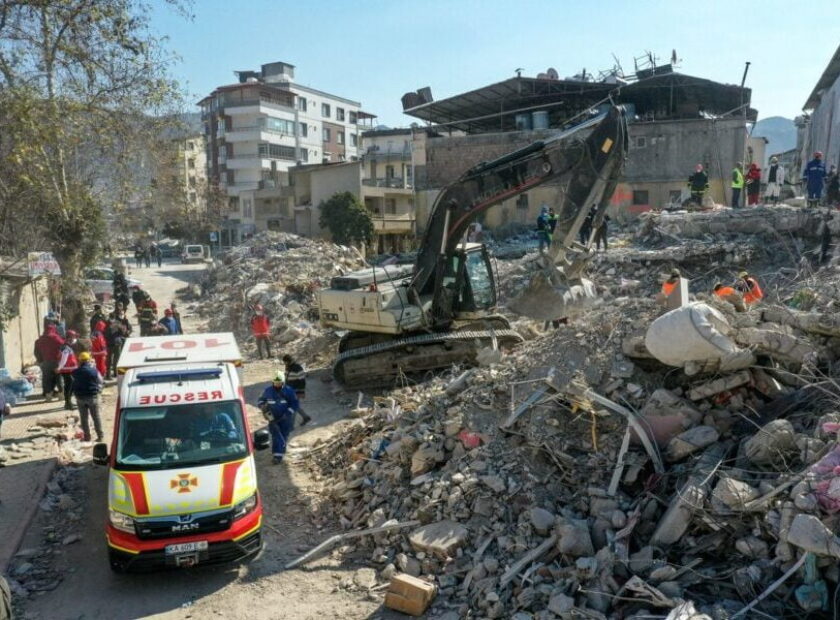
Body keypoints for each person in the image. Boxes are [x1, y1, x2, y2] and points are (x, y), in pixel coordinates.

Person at [257, 371, 300, 464]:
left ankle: (279, 453)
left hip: (285, 418)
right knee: (276, 435)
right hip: (273, 418)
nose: (277, 384)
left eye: (279, 383)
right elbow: (260, 401)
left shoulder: (289, 391)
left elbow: (295, 404)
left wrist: (288, 413)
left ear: (283, 382)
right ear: (272, 382)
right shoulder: (267, 391)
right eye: (275, 383)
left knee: (284, 435)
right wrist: (263, 407)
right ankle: (277, 455)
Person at [72, 351, 104, 442]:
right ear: (89, 360)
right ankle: (100, 436)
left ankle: (87, 437)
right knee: (96, 417)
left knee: (84, 418)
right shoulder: (94, 371)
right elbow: (100, 381)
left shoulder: (75, 372)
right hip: (92, 397)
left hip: (80, 398)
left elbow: (74, 383)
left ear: (80, 361)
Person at [34, 324, 64, 401]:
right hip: (56, 361)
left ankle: (48, 396)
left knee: (47, 379)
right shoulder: (56, 338)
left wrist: (40, 360)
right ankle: (61, 395)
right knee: (58, 378)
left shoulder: (40, 339)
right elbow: (63, 346)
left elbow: (36, 352)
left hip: (45, 362)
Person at [282, 354, 312, 426]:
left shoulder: (297, 368)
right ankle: (305, 417)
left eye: (285, 362)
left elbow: (302, 380)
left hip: (296, 390)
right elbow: (286, 379)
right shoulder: (288, 368)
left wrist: (301, 391)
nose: (285, 363)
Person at [57, 331, 81, 410]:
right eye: (74, 337)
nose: (75, 339)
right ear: (70, 338)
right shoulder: (66, 348)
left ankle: (69, 402)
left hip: (69, 370)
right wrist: (59, 368)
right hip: (67, 371)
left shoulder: (66, 346)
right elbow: (63, 360)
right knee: (68, 387)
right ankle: (68, 403)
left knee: (70, 387)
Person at [105, 315, 130, 379]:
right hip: (109, 344)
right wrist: (111, 328)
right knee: (109, 360)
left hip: (117, 343)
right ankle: (108, 375)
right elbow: (105, 334)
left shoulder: (117, 323)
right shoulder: (106, 324)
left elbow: (122, 333)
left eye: (113, 319)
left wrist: (120, 328)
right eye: (111, 319)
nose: (112, 320)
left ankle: (116, 373)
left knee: (117, 359)